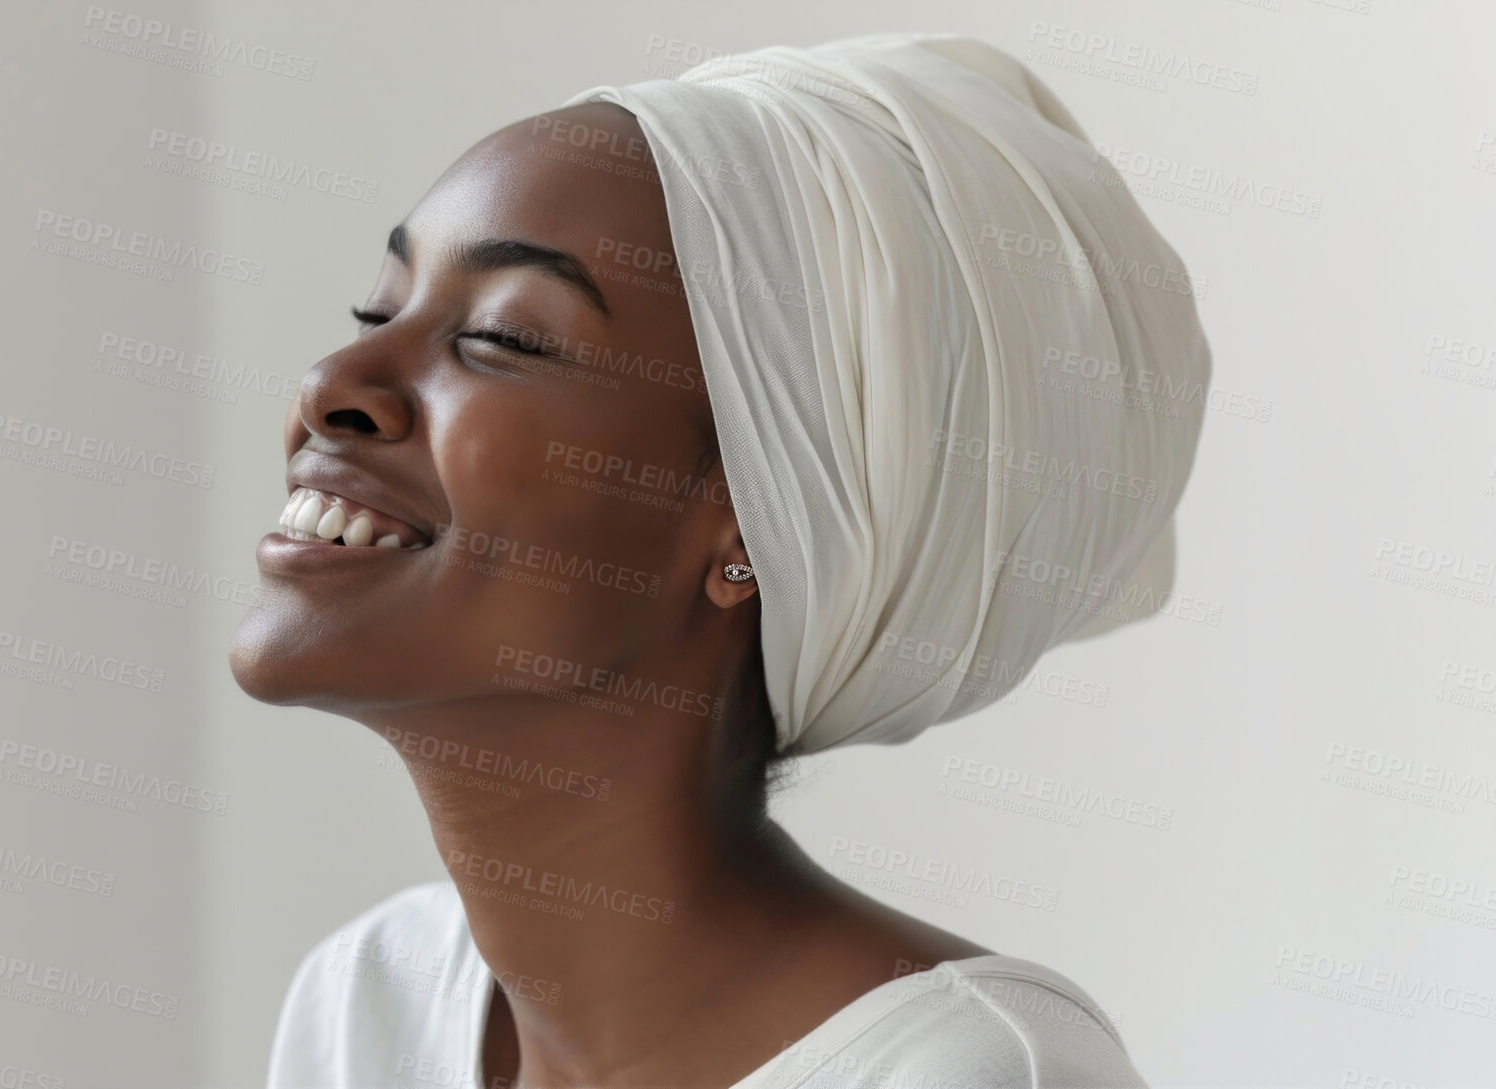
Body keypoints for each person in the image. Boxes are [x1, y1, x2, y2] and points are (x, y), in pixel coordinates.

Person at [231, 30, 1210, 1089]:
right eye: (378, 309)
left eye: (505, 338)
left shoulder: (966, 1073)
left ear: (754, 520)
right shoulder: (374, 996)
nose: (334, 378)